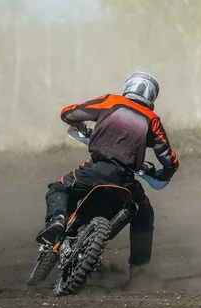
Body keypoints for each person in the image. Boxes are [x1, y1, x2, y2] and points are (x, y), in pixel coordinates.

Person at [35, 71, 179, 277]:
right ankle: (140, 271)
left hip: (95, 171)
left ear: (128, 86)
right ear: (152, 95)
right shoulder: (152, 120)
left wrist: (81, 126)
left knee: (59, 187)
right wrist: (160, 173)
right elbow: (170, 161)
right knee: (144, 213)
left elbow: (68, 113)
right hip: (126, 181)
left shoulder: (111, 101)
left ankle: (57, 220)